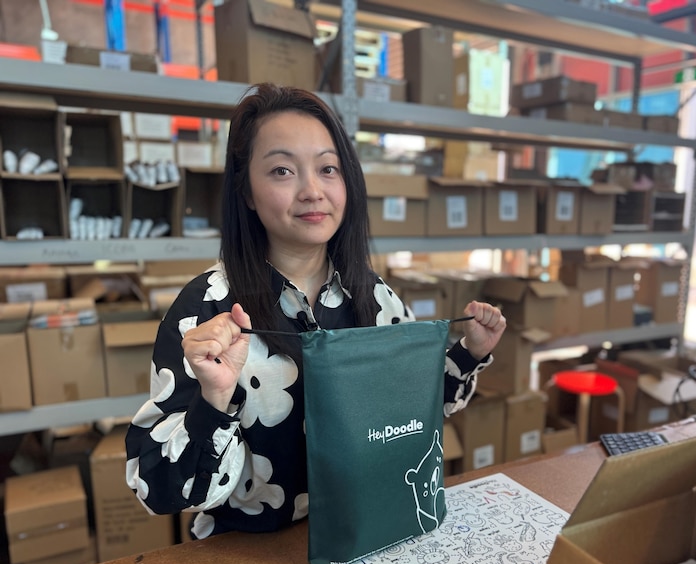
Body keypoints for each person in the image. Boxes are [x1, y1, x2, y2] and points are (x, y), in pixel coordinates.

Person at [125, 83, 506, 540]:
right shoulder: (204, 309)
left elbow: (413, 405)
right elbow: (159, 490)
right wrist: (213, 400)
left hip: (364, 533)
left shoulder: (373, 296)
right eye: (282, 171)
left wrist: (468, 352)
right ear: (246, 190)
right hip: (250, 552)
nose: (312, 191)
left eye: (328, 168)